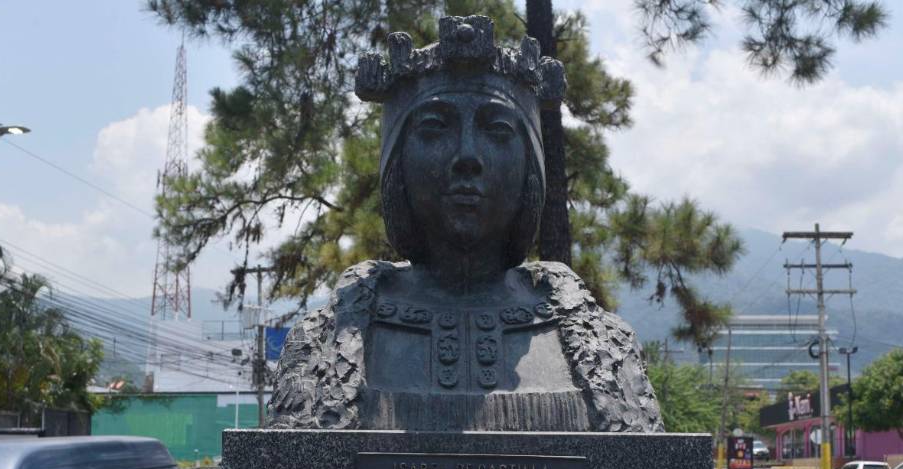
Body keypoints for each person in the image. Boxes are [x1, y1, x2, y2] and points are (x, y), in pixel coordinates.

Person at [270, 15, 663, 432]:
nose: (467, 157)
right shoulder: (325, 346)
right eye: (434, 128)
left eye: (497, 130)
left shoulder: (601, 347)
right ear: (396, 163)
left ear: (530, 166)